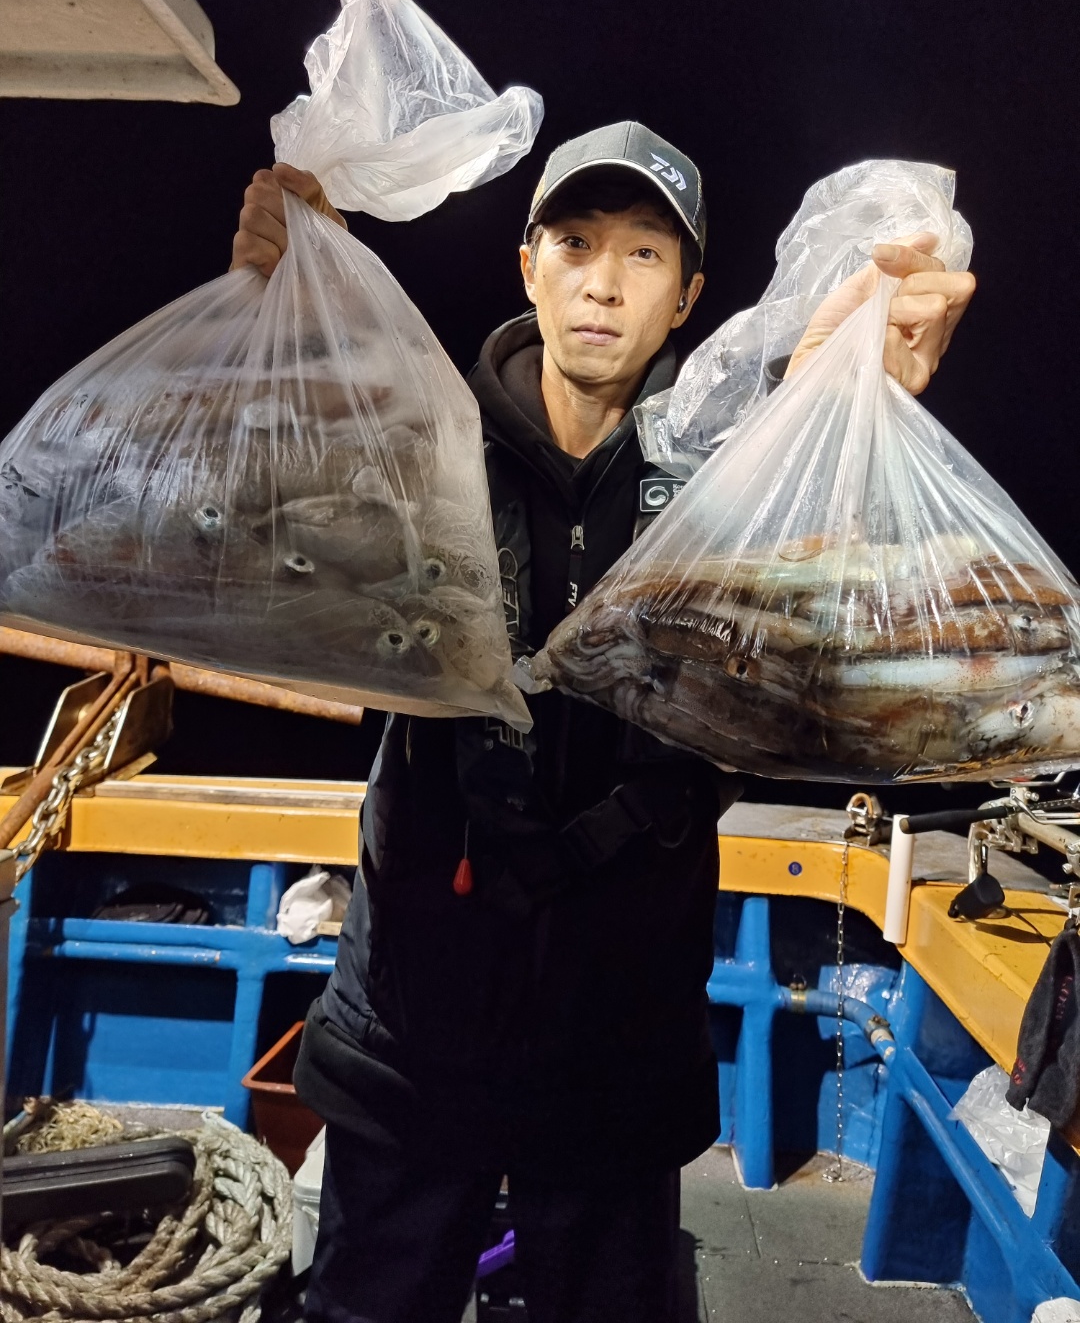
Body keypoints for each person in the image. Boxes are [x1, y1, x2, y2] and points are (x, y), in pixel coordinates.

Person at [230, 123, 975, 1323]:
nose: (603, 282)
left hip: (620, 1025)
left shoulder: (745, 467)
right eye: (575, 243)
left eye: (643, 253)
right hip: (415, 1009)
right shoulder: (421, 437)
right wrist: (276, 323)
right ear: (529, 266)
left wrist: (844, 407)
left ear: (687, 296)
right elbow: (265, 527)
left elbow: (831, 653)